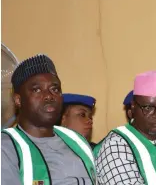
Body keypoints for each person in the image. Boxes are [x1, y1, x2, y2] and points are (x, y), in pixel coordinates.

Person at [1, 54, 96, 185]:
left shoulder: (77, 141)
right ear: (18, 100)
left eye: (55, 89)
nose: (49, 96)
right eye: (37, 90)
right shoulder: (6, 147)